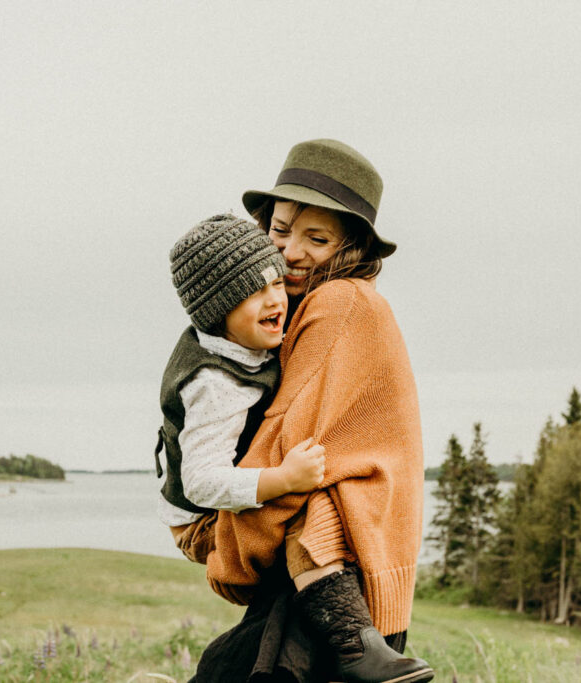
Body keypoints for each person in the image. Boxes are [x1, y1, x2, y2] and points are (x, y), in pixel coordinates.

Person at [195, 139, 432, 683]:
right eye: (279, 230)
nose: (290, 251)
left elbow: (291, 443)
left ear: (351, 244)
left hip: (331, 578)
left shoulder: (339, 301)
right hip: (346, 581)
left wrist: (226, 545)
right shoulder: (298, 311)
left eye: (316, 238)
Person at [155, 214, 327, 562]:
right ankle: (341, 615)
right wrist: (284, 479)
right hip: (202, 524)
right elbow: (201, 483)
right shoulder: (214, 383)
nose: (275, 300)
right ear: (218, 313)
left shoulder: (245, 338)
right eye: (253, 292)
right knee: (309, 521)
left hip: (223, 501)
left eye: (277, 282)